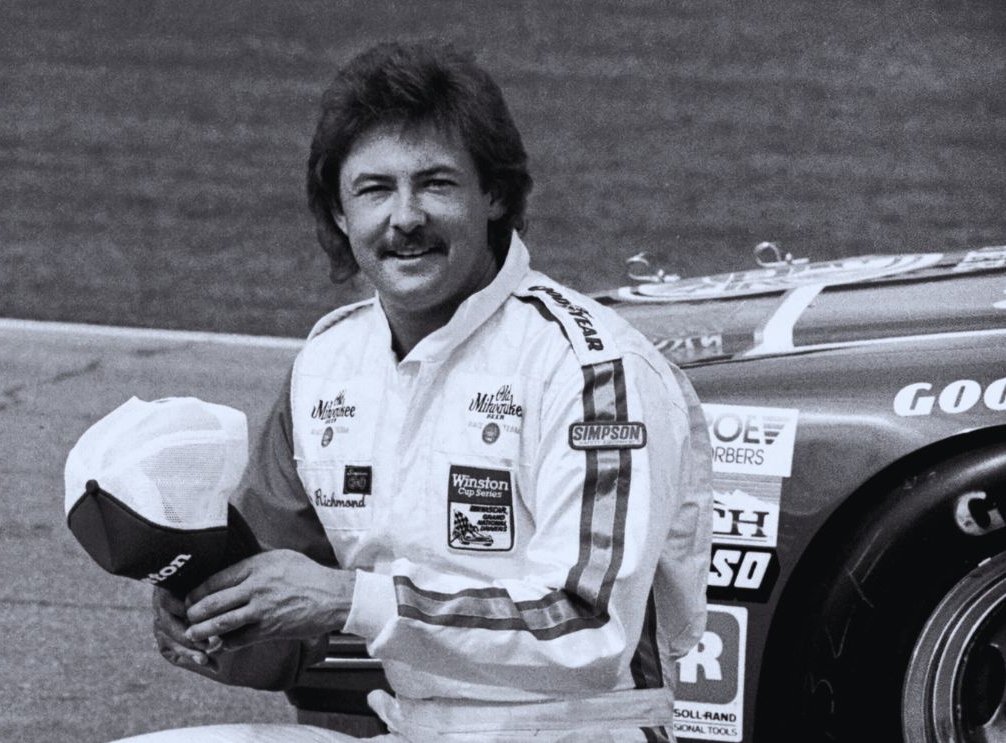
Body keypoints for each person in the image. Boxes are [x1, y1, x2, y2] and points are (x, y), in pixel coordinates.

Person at [119, 39, 712, 743]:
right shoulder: (328, 364)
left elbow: (586, 630)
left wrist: (350, 598)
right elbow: (287, 619)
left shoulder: (593, 367)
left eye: (434, 183)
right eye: (373, 189)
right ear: (338, 211)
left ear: (493, 194)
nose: (404, 217)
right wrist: (212, 617)